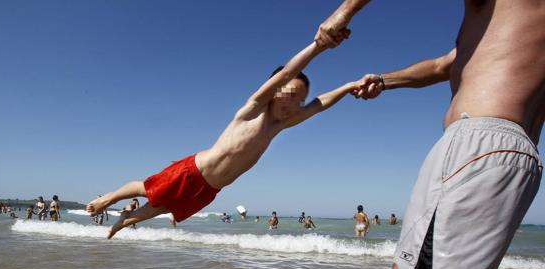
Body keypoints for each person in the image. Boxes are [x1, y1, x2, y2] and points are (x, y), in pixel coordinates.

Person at [318, 1, 544, 269]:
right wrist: (386, 80)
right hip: (522, 154)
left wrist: (343, 13)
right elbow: (446, 64)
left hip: (477, 141)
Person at [86, 34, 355, 239]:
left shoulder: (278, 126)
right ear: (274, 91)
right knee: (148, 188)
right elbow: (287, 72)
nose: (296, 104)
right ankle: (108, 198)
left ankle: (126, 219)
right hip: (193, 171)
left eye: (301, 100)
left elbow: (318, 105)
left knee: (162, 208)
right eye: (292, 95)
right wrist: (318, 46)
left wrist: (348, 86)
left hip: (211, 189)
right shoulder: (253, 109)